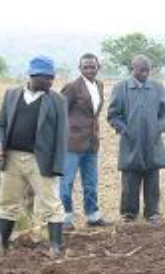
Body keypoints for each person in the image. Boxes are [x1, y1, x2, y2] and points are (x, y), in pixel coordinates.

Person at [0, 56, 68, 256]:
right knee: (8, 203)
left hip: (40, 160)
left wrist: (57, 166)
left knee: (51, 202)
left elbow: (62, 136)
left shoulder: (57, 100)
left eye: (52, 78)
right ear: (34, 76)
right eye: (47, 78)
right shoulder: (12, 95)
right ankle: (0, 245)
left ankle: (55, 245)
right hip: (12, 158)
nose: (51, 82)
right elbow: (1, 125)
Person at [107, 55, 165, 224]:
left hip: (152, 140)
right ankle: (129, 214)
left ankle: (152, 213)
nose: (145, 73)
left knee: (152, 176)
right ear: (132, 69)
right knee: (130, 178)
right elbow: (113, 115)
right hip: (131, 141)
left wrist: (161, 126)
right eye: (141, 70)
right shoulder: (121, 88)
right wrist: (124, 129)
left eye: (147, 70)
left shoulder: (157, 87)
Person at [60, 53, 109, 230]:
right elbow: (60, 114)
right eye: (85, 67)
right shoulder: (72, 87)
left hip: (91, 142)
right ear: (80, 69)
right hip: (72, 143)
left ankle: (93, 216)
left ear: (98, 67)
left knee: (91, 182)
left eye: (92, 66)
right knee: (66, 182)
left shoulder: (100, 85)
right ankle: (65, 217)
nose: (89, 70)